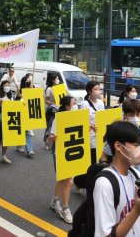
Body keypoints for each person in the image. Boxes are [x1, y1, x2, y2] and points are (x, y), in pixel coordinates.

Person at [94, 120, 140, 237]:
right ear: (118, 146)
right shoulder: (104, 184)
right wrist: (137, 210)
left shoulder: (136, 175)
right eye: (136, 145)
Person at [48, 95, 77, 224]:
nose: (75, 104)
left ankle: (54, 201)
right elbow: (50, 135)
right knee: (69, 181)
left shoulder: (76, 116)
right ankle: (65, 209)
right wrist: (53, 137)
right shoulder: (58, 118)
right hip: (60, 152)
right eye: (73, 103)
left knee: (62, 179)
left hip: (71, 150)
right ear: (67, 106)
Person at [82, 81, 105, 164]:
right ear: (89, 92)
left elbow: (103, 119)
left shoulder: (101, 103)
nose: (98, 91)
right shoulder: (84, 104)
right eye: (96, 89)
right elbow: (82, 121)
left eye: (99, 89)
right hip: (90, 137)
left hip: (100, 135)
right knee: (92, 159)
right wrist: (90, 126)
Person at [15, 73, 35, 157]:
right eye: (28, 80)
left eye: (30, 80)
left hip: (29, 114)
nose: (30, 82)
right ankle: (28, 149)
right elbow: (16, 103)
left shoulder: (33, 90)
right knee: (23, 131)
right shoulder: (20, 92)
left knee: (26, 132)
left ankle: (26, 148)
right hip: (21, 114)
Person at [44, 73, 62, 146]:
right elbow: (46, 100)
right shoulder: (49, 89)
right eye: (57, 79)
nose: (58, 80)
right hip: (51, 110)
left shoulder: (59, 88)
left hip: (58, 109)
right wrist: (53, 103)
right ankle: (46, 142)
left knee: (56, 125)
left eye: (58, 79)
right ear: (53, 80)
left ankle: (52, 141)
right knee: (50, 125)